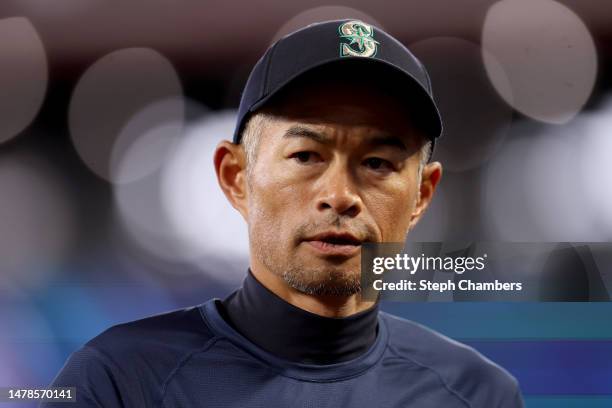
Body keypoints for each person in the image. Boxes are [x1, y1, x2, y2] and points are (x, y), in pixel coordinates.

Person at [43, 19, 524, 407]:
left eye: (377, 163)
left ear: (421, 195)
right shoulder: (119, 383)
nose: (339, 195)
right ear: (235, 177)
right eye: (306, 156)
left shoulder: (477, 394)